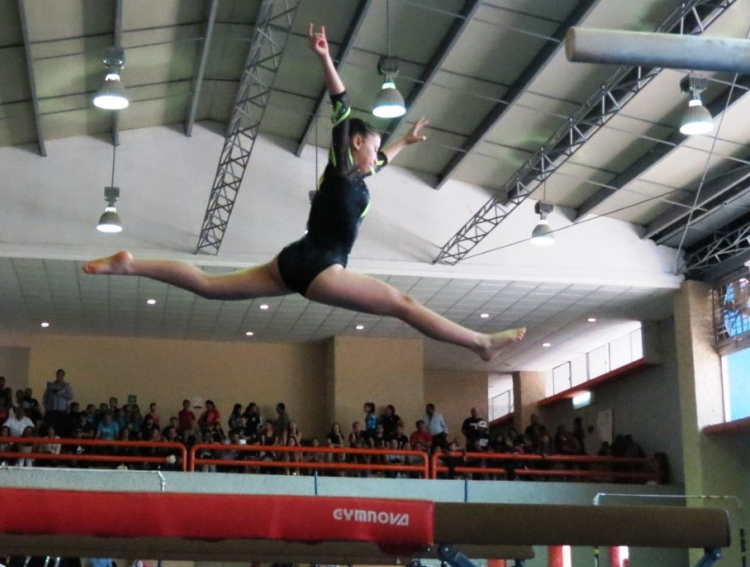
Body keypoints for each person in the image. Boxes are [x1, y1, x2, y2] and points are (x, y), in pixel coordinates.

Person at [82, 24, 525, 362]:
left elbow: (383, 160)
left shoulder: (354, 180)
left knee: (209, 286)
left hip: (295, 259)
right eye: (370, 147)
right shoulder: (339, 169)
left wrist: (404, 142)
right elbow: (342, 104)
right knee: (403, 305)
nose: (375, 157)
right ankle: (480, 342)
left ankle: (131, 265)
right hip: (320, 266)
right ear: (354, 144)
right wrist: (325, 58)